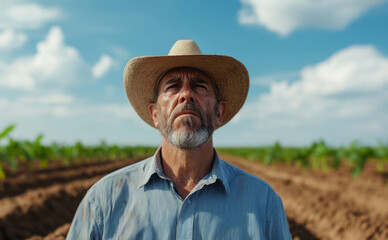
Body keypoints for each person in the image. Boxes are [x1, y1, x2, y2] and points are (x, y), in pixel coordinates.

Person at [66, 40, 292, 239]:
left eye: (199, 86)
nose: (186, 94)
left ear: (219, 113)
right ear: (155, 114)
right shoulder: (105, 200)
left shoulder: (263, 203)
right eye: (173, 86)